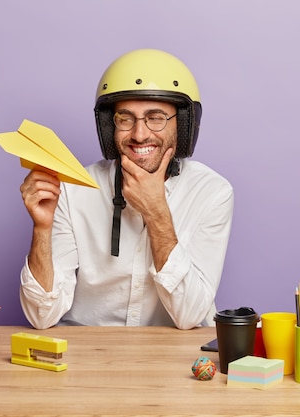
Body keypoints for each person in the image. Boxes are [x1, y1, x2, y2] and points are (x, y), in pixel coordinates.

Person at [18, 49, 234, 329]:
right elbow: (41, 316)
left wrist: (157, 213)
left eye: (156, 117)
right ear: (109, 126)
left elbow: (190, 316)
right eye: (125, 118)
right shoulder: (73, 190)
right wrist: (42, 229)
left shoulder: (212, 193)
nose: (139, 134)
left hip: (173, 357)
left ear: (183, 124)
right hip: (89, 353)